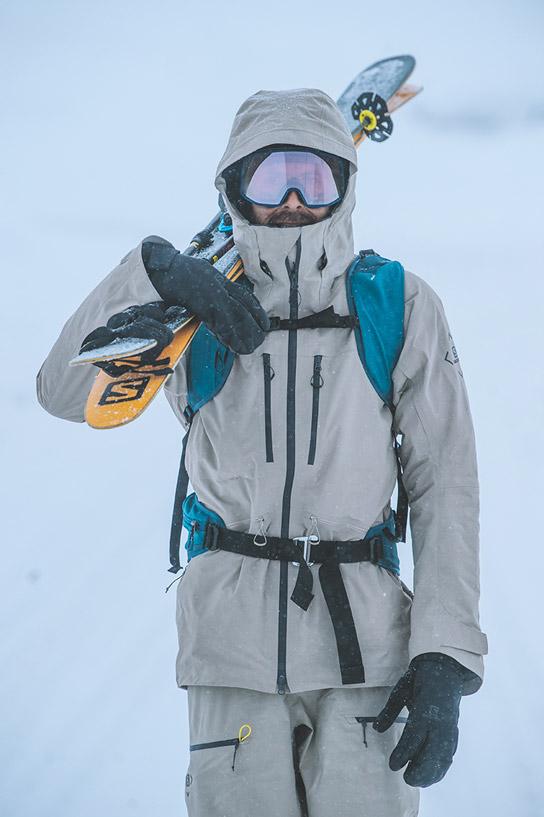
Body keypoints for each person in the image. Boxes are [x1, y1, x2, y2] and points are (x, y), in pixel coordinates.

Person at [37, 88, 488, 817]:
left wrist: (444, 651)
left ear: (344, 185)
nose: (290, 201)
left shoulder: (396, 303)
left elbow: (447, 483)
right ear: (231, 188)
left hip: (366, 651)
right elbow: (62, 391)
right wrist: (150, 272)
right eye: (267, 178)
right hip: (231, 650)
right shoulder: (188, 310)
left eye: (313, 179)